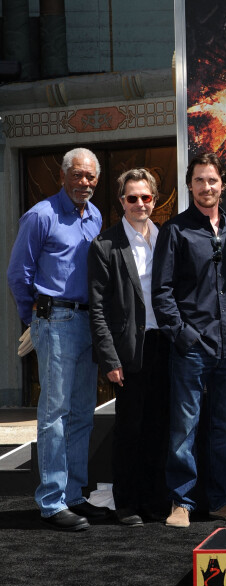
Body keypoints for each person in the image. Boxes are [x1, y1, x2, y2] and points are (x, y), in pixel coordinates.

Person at [7, 147, 109, 531]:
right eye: (78, 175)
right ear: (63, 176)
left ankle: (74, 495)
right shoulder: (41, 215)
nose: (85, 182)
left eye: (91, 177)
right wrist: (33, 319)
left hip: (87, 322)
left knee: (82, 413)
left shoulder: (95, 214)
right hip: (54, 319)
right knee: (54, 415)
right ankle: (51, 502)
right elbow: (19, 273)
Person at [152, 152, 226, 528]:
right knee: (184, 428)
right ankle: (181, 502)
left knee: (225, 430)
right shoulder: (175, 230)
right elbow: (161, 292)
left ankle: (223, 501)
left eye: (212, 180)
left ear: (222, 184)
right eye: (199, 180)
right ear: (190, 185)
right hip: (192, 348)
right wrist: (183, 335)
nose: (206, 187)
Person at [88, 168, 170, 527]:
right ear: (121, 201)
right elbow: (98, 308)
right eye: (132, 198)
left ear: (155, 199)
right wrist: (109, 358)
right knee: (130, 430)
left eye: (146, 197)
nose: (140, 203)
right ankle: (127, 502)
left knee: (158, 428)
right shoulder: (105, 244)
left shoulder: (165, 237)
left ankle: (154, 501)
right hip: (128, 350)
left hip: (163, 346)